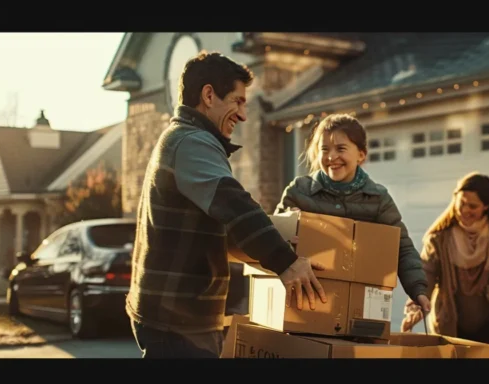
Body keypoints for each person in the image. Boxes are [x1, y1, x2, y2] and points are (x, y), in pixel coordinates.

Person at [127, 51, 326, 359]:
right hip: (176, 323)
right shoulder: (190, 142)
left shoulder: (189, 140)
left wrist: (282, 250)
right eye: (237, 100)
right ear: (209, 95)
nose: (244, 114)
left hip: (181, 318)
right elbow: (234, 203)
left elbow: (227, 228)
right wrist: (286, 262)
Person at [274, 114, 431, 314]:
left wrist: (418, 290)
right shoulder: (299, 191)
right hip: (305, 302)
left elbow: (402, 247)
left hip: (360, 306)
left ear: (361, 155)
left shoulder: (378, 199)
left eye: (341, 149)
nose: (331, 157)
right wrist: (287, 227)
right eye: (324, 150)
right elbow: (272, 238)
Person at [400, 172, 489, 358]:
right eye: (461, 203)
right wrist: (415, 310)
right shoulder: (439, 239)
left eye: (472, 206)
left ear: (486, 206)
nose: (465, 210)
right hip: (450, 329)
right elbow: (426, 275)